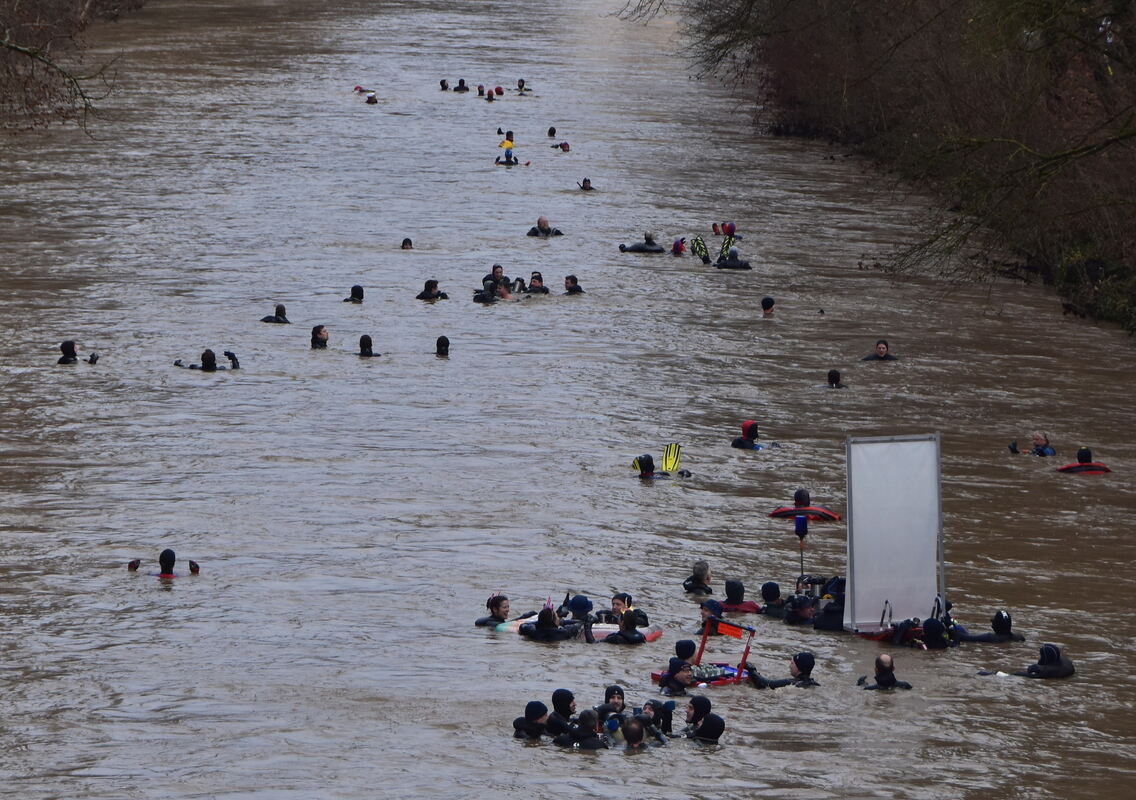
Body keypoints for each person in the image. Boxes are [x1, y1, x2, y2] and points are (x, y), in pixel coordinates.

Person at [746, 652, 819, 689]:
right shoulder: (812, 683)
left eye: (792, 663)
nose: (789, 666)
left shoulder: (791, 683)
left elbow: (765, 684)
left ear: (799, 667)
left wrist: (751, 669)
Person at [518, 606, 592, 642]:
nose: (558, 618)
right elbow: (579, 623)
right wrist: (563, 622)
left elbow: (523, 625)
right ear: (554, 621)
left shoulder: (533, 632)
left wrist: (539, 622)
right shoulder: (563, 632)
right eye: (557, 617)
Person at [952, 610, 1025, 644]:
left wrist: (951, 627)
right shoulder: (1018, 637)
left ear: (997, 625)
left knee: (957, 628)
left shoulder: (990, 637)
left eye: (994, 623)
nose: (992, 625)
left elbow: (963, 637)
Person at [128, 548, 199, 578]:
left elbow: (133, 573)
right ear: (174, 563)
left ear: (159, 562)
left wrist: (131, 568)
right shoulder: (180, 576)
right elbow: (194, 576)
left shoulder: (152, 575)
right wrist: (195, 571)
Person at [174, 349, 239, 371]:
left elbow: (182, 366)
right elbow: (236, 370)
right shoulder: (222, 369)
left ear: (202, 360)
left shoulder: (194, 367)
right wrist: (234, 359)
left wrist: (177, 363)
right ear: (214, 360)